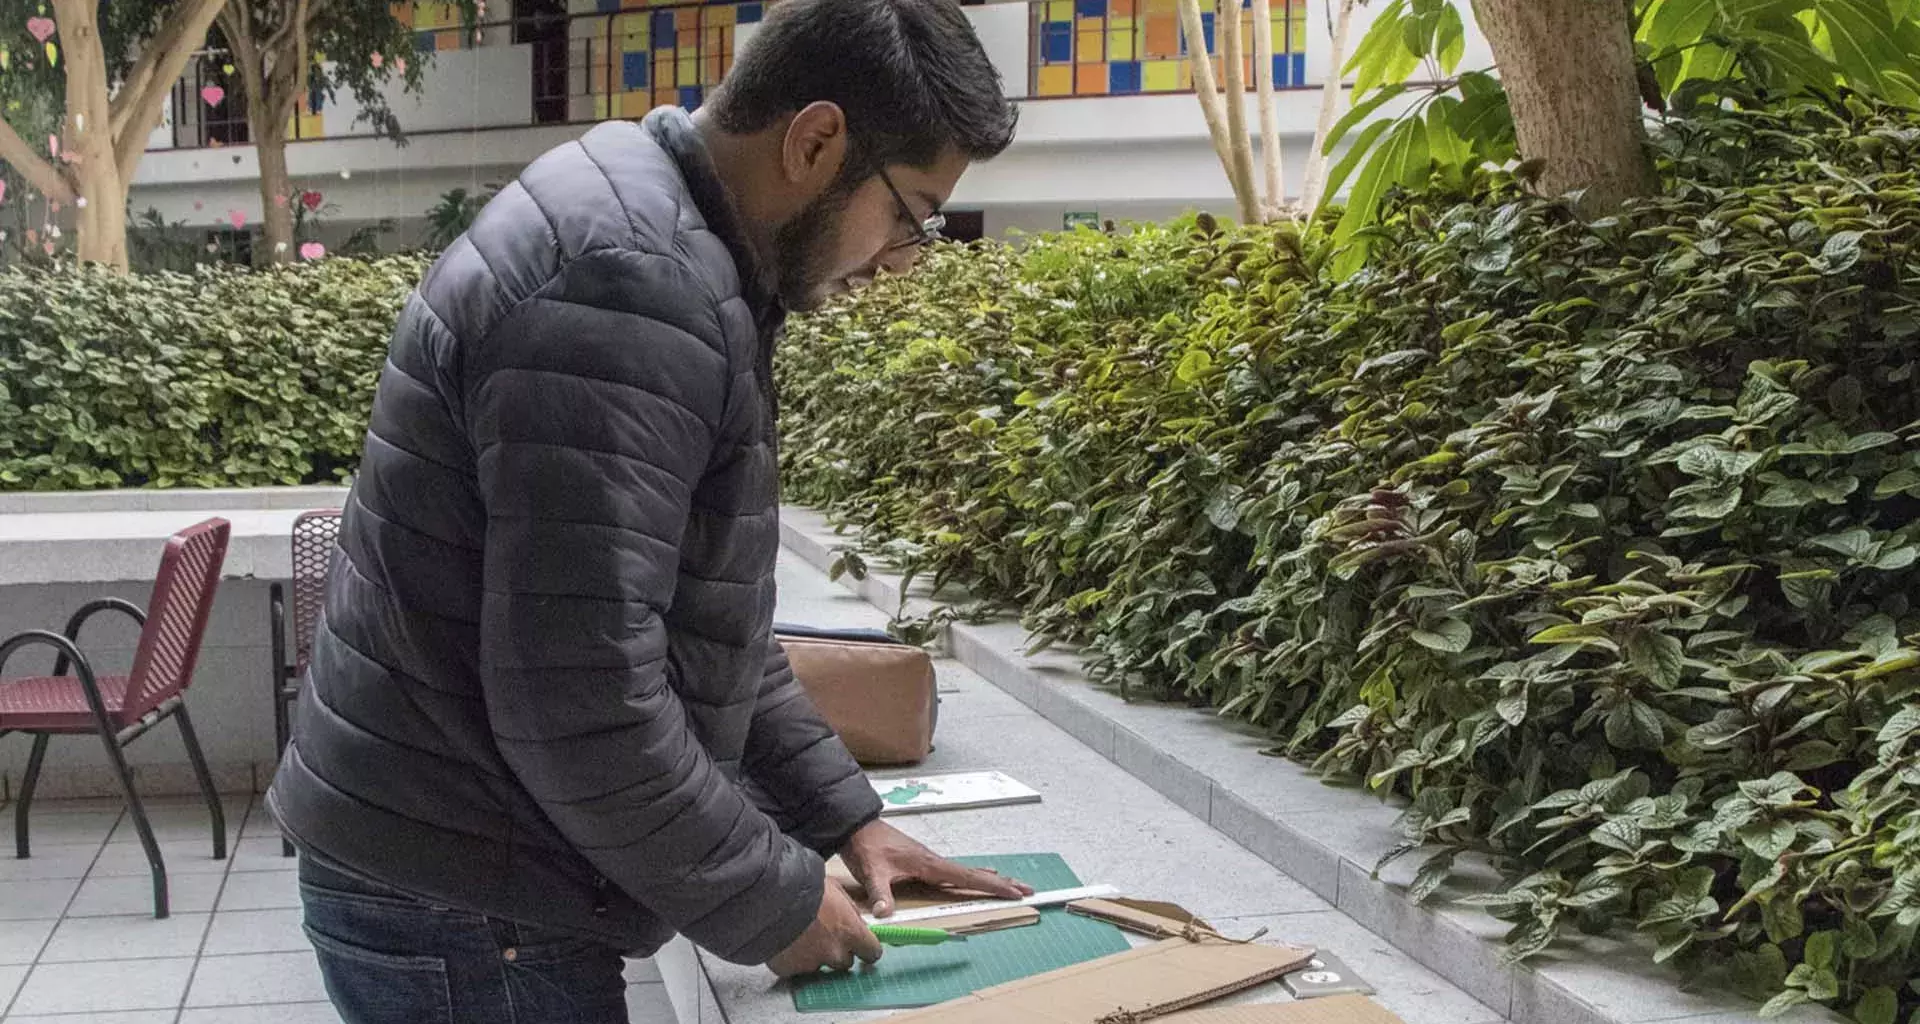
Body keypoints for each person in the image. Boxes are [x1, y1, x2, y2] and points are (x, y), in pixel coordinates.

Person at [265, 0, 1027, 1019]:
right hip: (465, 898)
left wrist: (846, 818)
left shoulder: (667, 228)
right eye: (912, 213)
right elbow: (579, 695)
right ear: (815, 141)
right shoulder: (633, 284)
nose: (904, 260)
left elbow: (696, 624)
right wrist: (776, 898)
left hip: (462, 861)